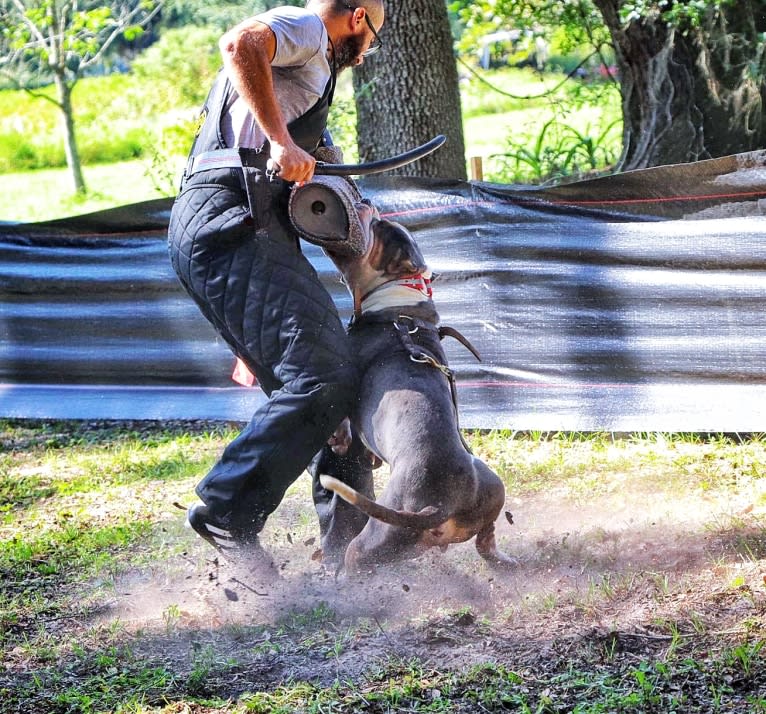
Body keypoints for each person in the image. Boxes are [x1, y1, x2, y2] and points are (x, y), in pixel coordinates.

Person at [167, 0, 385, 562]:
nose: (367, 53)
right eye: (373, 37)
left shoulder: (308, 79)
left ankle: (349, 550)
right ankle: (226, 512)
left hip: (243, 231)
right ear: (357, 18)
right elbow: (241, 43)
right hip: (231, 224)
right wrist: (283, 144)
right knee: (327, 373)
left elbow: (311, 175)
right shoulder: (309, 30)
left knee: (335, 385)